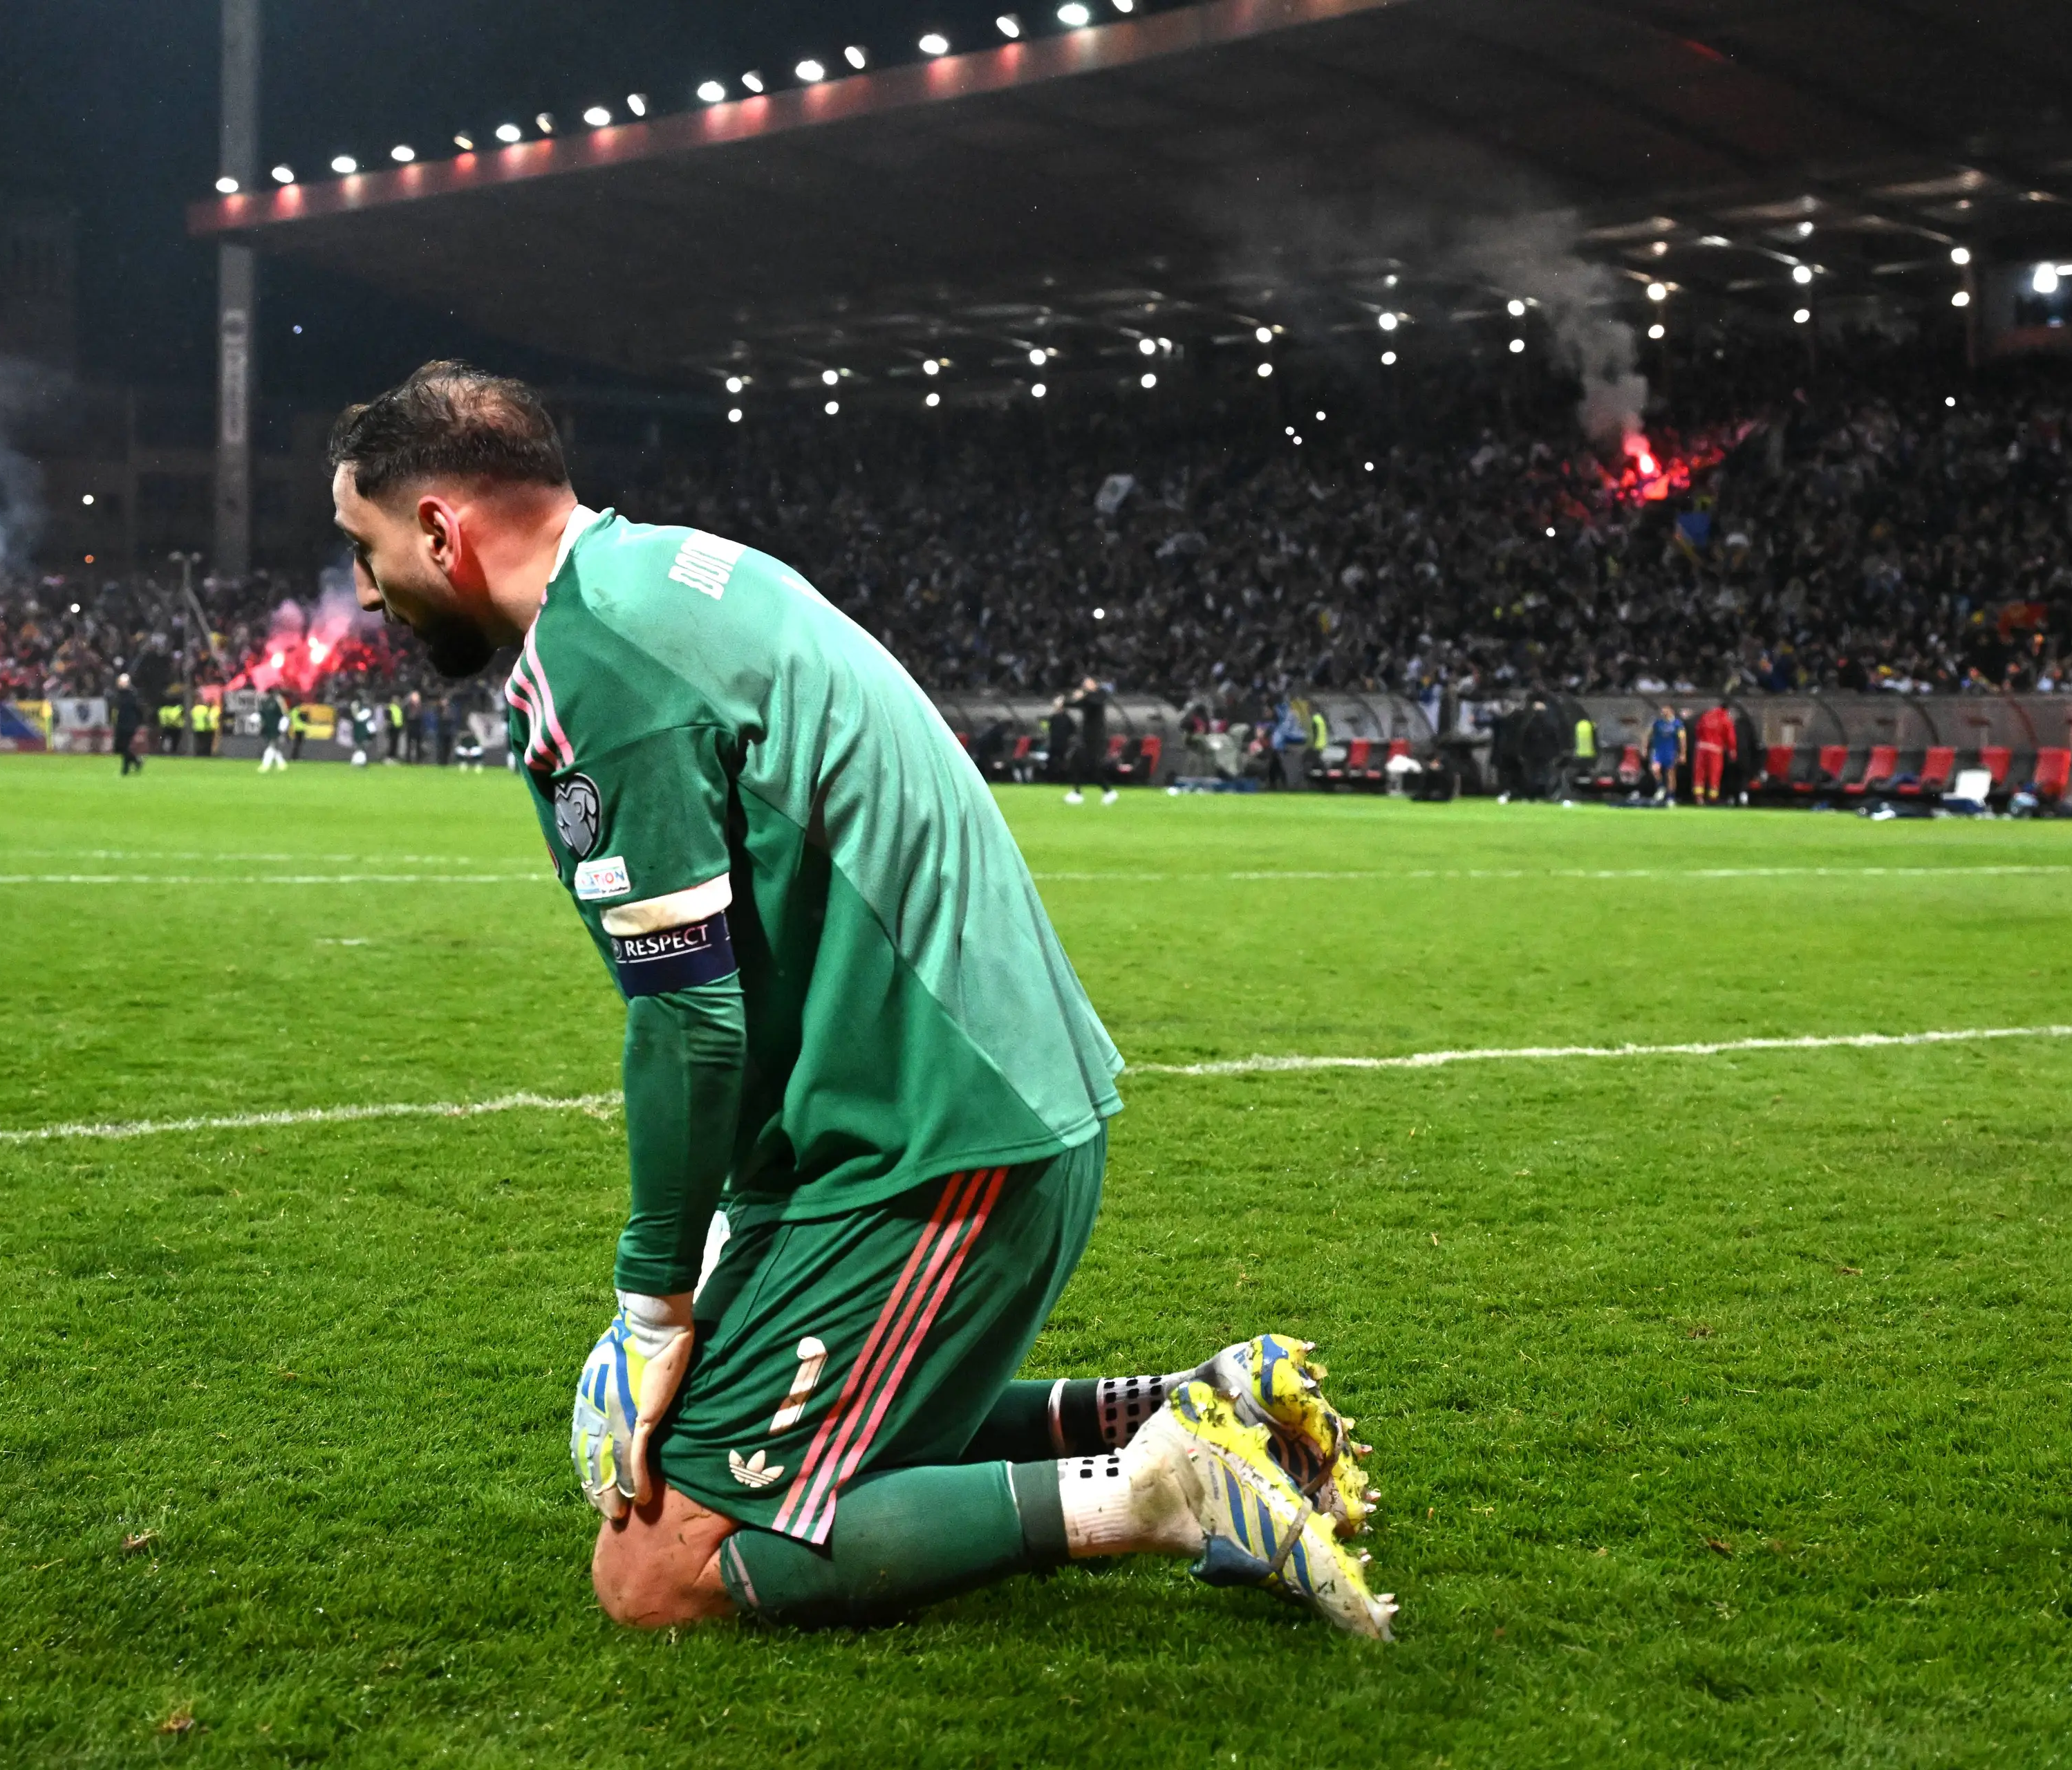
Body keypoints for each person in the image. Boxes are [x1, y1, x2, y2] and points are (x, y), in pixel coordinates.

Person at [327, 360, 1392, 1638]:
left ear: (440, 527)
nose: (364, 586)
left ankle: (1166, 1494)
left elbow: (688, 1017)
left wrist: (650, 1305)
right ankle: (1186, 1404)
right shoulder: (673, 568)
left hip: (931, 1142)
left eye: (364, 545)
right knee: (710, 1433)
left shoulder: (594, 654)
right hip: (966, 1104)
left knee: (657, 1569)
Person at [1065, 675, 1116, 805]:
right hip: (1086, 737)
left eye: (1088, 682)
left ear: (1095, 683)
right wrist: (1065, 702)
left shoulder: (1100, 694)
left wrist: (1082, 696)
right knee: (1076, 760)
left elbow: (1094, 701)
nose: (1085, 685)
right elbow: (1075, 704)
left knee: (1093, 766)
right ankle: (1077, 792)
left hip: (1097, 738)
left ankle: (1108, 791)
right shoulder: (1087, 698)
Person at [1692, 702, 1735, 806]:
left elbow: (1698, 730)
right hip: (1715, 750)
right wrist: (1732, 750)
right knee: (1714, 774)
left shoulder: (1706, 716)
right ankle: (1712, 798)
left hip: (1701, 748)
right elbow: (1730, 737)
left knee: (1699, 774)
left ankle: (1699, 798)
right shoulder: (1725, 719)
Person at [1645, 703, 1686, 803]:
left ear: (1671, 710)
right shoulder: (1658, 723)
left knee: (1671, 775)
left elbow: (1682, 739)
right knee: (1655, 769)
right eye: (1662, 709)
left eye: (1665, 709)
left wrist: (1683, 753)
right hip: (1658, 751)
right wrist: (1644, 748)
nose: (1663, 711)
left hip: (1671, 752)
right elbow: (1647, 735)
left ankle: (1671, 797)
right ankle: (1661, 787)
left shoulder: (1678, 724)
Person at [109, 673, 144, 776]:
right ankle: (136, 762)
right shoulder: (119, 695)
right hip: (121, 724)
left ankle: (125, 770)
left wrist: (136, 723)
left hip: (129, 725)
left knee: (124, 747)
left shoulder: (131, 695)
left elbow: (138, 710)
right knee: (121, 747)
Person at [257, 687, 289, 774]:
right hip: (269, 727)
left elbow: (284, 714)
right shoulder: (267, 702)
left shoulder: (277, 701)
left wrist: (283, 727)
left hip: (275, 727)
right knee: (274, 746)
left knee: (272, 746)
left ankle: (266, 764)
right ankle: (282, 764)